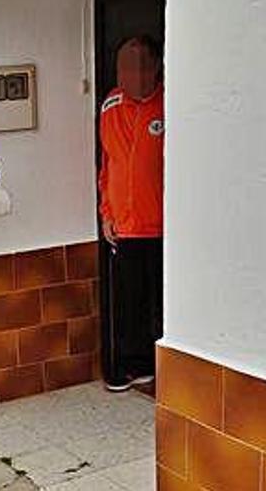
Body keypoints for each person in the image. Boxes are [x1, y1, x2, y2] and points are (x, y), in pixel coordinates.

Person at [98, 36, 165, 392]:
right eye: (125, 67)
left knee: (161, 299)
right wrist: (106, 212)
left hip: (164, 226)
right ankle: (131, 365)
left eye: (139, 66)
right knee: (128, 302)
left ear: (156, 67)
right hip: (124, 225)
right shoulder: (110, 105)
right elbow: (108, 165)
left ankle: (166, 367)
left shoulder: (170, 103)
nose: (131, 75)